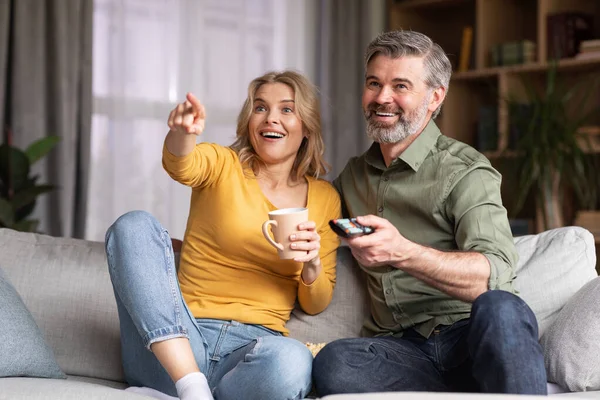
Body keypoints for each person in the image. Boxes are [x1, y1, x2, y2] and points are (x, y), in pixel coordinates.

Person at [312, 30, 547, 395]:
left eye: (400, 86)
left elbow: (494, 275)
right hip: (402, 351)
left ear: (435, 97)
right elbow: (305, 213)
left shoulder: (465, 171)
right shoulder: (353, 176)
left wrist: (402, 252)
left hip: (466, 338)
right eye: (374, 83)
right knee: (335, 361)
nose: (382, 98)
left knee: (502, 309)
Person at [105, 70, 341, 400]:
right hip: (176, 344)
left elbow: (316, 303)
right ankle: (191, 385)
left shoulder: (324, 198)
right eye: (260, 108)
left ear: (306, 127)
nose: (270, 118)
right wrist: (182, 133)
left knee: (293, 359)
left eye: (287, 109)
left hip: (248, 358)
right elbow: (181, 164)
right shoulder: (223, 164)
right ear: (248, 120)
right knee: (132, 226)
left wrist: (312, 262)